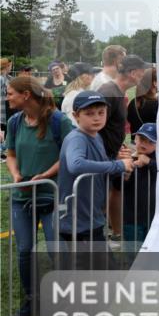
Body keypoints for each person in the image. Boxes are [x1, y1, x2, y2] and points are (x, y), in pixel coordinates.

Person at [5, 77, 74, 316]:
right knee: (25, 250)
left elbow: (70, 154)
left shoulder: (58, 121)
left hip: (53, 197)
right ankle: (32, 300)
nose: (7, 97)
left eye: (10, 93)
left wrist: (44, 175)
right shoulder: (14, 122)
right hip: (22, 199)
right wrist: (16, 175)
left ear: (26, 95)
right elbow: (10, 154)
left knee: (58, 250)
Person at [57, 91, 132, 249]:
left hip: (92, 216)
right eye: (89, 113)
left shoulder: (96, 136)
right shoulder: (77, 138)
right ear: (76, 116)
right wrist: (118, 165)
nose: (96, 117)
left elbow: (100, 167)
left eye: (101, 112)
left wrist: (120, 166)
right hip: (77, 220)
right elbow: (76, 164)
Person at [96, 54, 148, 242]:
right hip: (104, 159)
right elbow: (95, 126)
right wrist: (112, 152)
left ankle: (113, 235)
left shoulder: (117, 92)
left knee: (111, 194)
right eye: (141, 74)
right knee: (99, 202)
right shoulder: (109, 91)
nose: (142, 78)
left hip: (112, 156)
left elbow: (111, 127)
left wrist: (120, 146)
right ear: (133, 73)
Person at [123, 123, 157, 245]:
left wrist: (149, 162)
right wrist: (125, 176)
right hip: (131, 219)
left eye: (150, 142)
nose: (144, 144)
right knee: (133, 255)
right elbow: (117, 186)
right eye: (142, 139)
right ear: (135, 138)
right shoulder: (129, 160)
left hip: (154, 219)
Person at [127, 68, 158, 142]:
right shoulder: (157, 104)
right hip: (149, 146)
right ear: (155, 83)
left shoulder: (133, 102)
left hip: (135, 144)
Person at [0, 57, 11, 151]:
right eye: (10, 65)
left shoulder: (8, 78)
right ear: (6, 66)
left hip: (7, 107)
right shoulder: (1, 79)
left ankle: (4, 147)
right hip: (2, 106)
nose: (11, 67)